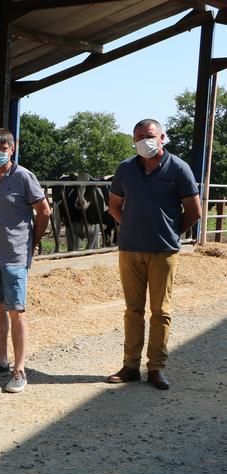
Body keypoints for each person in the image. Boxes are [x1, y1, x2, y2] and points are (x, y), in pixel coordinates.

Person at [106, 119, 201, 390]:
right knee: (132, 310)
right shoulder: (125, 169)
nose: (143, 141)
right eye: (138, 137)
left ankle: (156, 367)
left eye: (148, 136)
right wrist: (131, 226)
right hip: (130, 250)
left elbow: (194, 212)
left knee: (161, 311)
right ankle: (130, 366)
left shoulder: (179, 168)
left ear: (162, 137)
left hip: (163, 252)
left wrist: (170, 233)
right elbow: (114, 205)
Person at [0, 128, 51, 393]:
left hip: (15, 256)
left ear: (12, 149)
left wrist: (32, 242)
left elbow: (44, 211)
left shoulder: (24, 177)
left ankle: (20, 369)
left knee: (16, 311)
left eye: (2, 149)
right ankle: (1, 361)